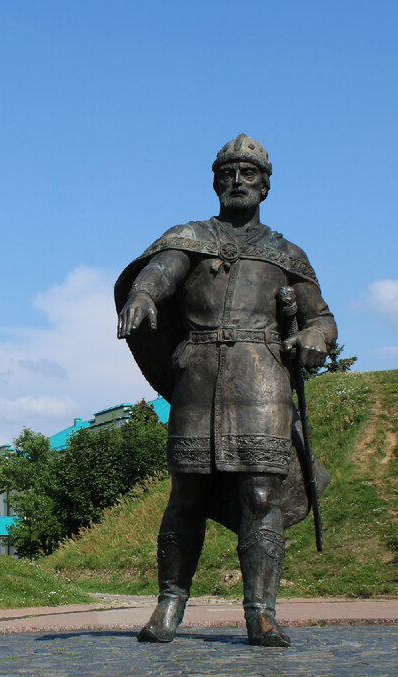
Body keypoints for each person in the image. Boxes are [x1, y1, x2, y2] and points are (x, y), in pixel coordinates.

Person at [115, 134, 337, 647]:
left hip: (262, 379)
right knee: (185, 494)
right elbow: (160, 272)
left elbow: (322, 319)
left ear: (265, 185)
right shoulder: (189, 238)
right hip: (197, 375)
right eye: (227, 173)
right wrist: (143, 294)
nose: (237, 181)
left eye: (248, 173)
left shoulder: (286, 254)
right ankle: (170, 603)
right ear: (215, 182)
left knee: (260, 494)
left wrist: (313, 338)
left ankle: (261, 613)